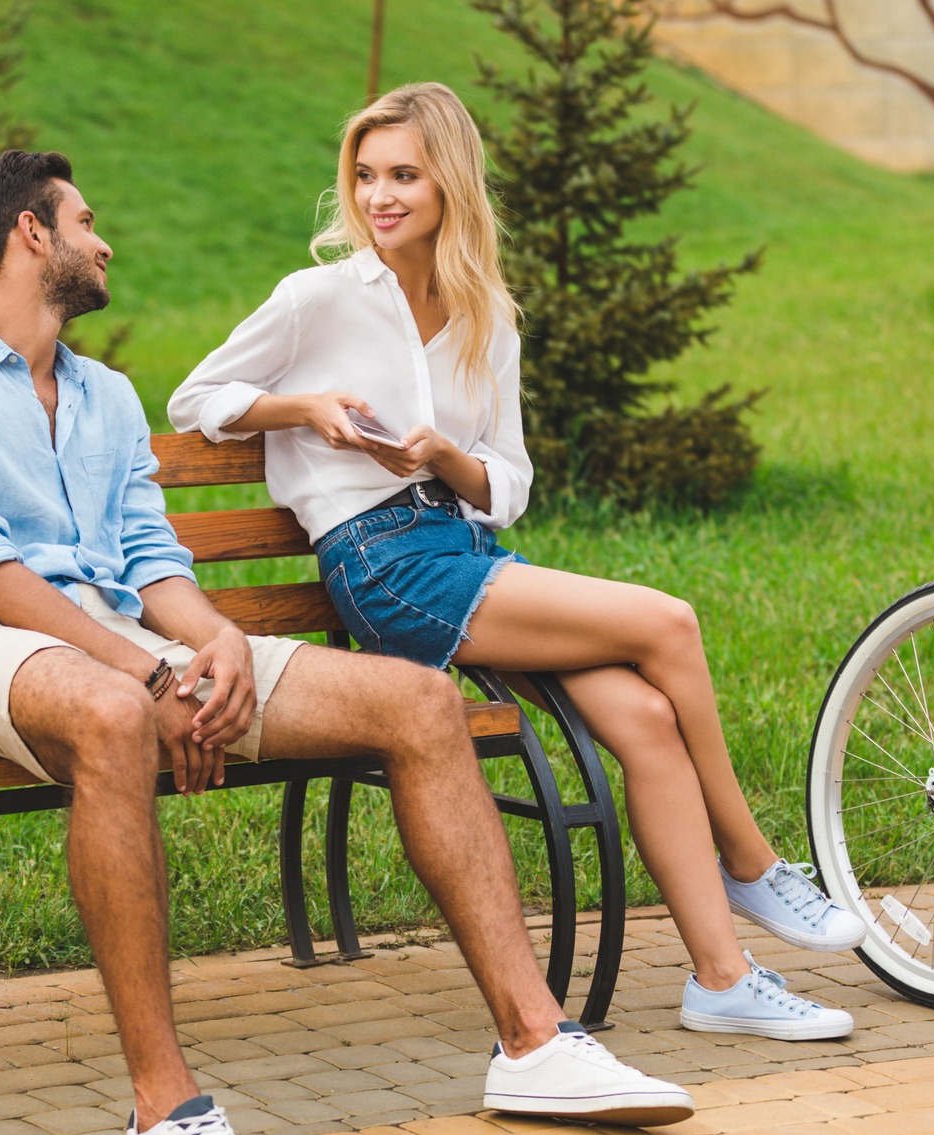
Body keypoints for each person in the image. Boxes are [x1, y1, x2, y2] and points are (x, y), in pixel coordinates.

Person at [0, 149, 700, 1135]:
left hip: (114, 644)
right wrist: (148, 670)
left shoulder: (103, 395)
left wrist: (220, 645)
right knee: (113, 715)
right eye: (85, 221)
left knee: (416, 702)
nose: (103, 242)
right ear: (29, 235)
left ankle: (532, 1042)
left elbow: (150, 562)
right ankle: (165, 1116)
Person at [169, 84, 864, 1048]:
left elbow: (509, 481)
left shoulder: (486, 317)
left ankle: (723, 978)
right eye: (366, 176)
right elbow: (194, 396)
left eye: (404, 175)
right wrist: (309, 408)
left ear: (449, 181)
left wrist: (440, 457)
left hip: (464, 548)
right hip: (383, 567)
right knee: (670, 622)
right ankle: (751, 857)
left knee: (646, 717)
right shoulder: (318, 297)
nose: (380, 196)